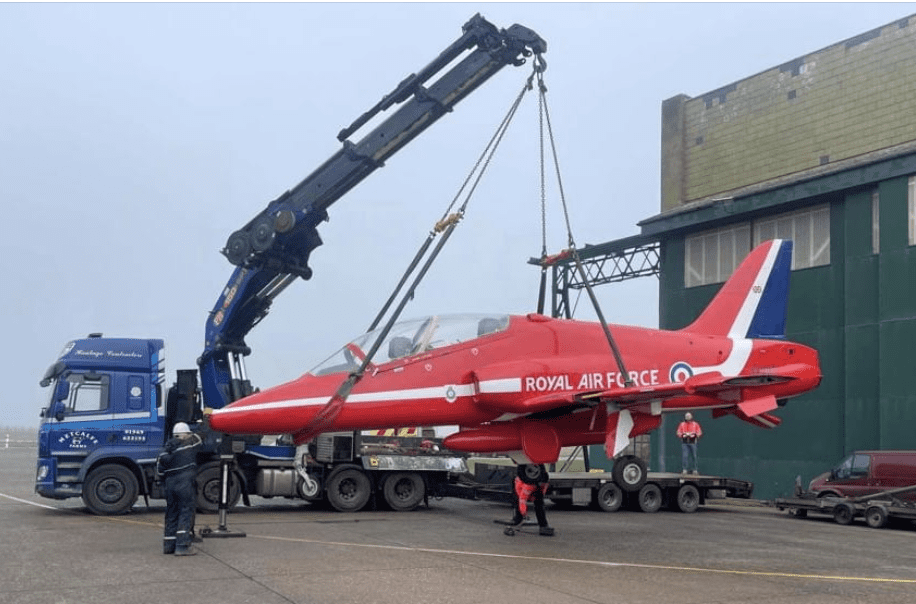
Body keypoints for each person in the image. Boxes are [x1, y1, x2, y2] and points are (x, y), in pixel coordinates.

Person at [156, 422, 203, 556]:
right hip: (185, 484)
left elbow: (159, 472)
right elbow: (200, 438)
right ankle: (182, 546)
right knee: (185, 512)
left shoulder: (164, 452)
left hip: (170, 485)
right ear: (186, 435)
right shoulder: (189, 445)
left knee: (171, 514)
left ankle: (169, 546)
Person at [509, 464, 554, 536]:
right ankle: (518, 519)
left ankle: (542, 524)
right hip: (524, 483)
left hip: (532, 481)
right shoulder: (527, 488)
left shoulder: (542, 481)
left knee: (538, 503)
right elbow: (522, 500)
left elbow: (542, 490)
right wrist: (524, 513)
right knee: (520, 501)